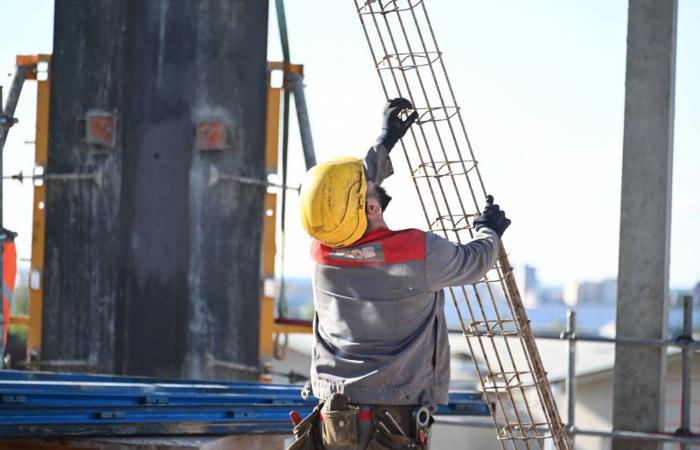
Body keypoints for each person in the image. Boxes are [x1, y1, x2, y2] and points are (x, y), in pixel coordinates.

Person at [290, 98, 511, 449]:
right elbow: (475, 262)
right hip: (390, 421)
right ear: (373, 206)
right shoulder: (416, 253)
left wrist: (385, 141)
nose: (370, 183)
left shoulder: (323, 250)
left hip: (332, 420)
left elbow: (342, 199)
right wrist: (490, 231)